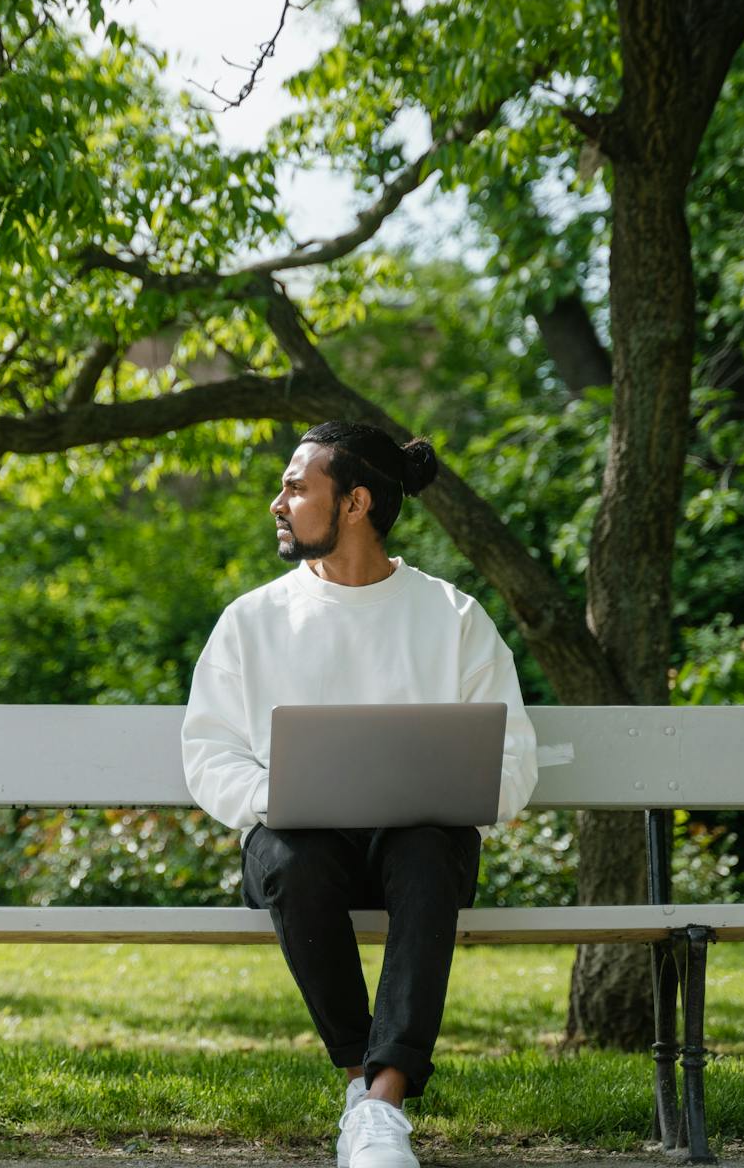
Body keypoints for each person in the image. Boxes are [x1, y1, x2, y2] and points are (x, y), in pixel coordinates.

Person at [181, 420, 542, 1168]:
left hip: (417, 845)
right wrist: (272, 799)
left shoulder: (453, 618)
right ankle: (363, 1085)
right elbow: (209, 752)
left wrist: (459, 794)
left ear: (355, 503)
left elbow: (512, 761)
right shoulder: (251, 621)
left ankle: (384, 1102)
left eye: (295, 486)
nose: (276, 503)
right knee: (290, 855)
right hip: (300, 841)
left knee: (428, 850)